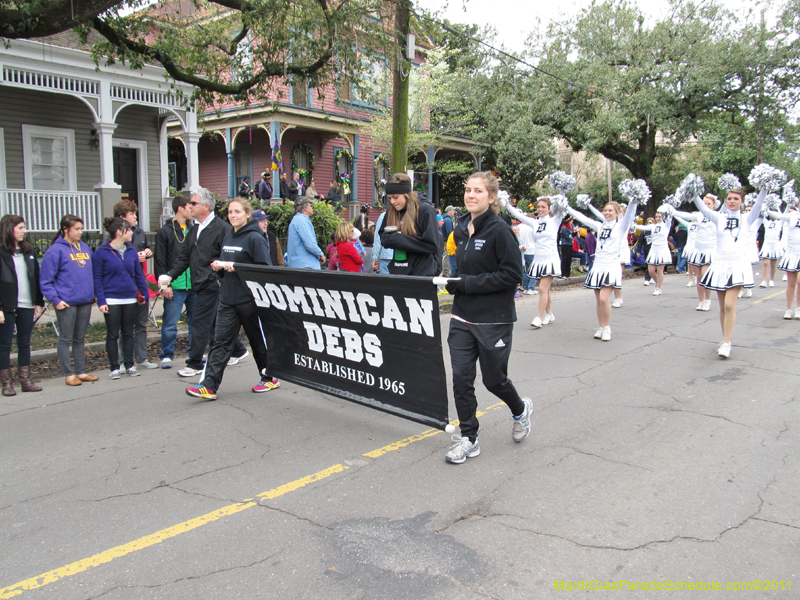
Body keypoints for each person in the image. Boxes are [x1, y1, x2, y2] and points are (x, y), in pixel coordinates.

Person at [444, 171, 532, 464]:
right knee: (461, 379)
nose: (471, 195)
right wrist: (454, 280)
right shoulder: (459, 229)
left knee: (494, 380)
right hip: (462, 317)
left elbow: (511, 275)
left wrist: (467, 283)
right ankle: (469, 437)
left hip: (493, 319)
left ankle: (520, 410)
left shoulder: (499, 230)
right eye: (468, 190)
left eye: (478, 191)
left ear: (491, 198)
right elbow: (464, 271)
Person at [186, 199, 278, 399]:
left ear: (247, 214)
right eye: (230, 212)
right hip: (228, 299)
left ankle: (270, 377)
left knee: (257, 342)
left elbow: (264, 270)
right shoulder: (228, 237)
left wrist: (237, 267)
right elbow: (226, 267)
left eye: (237, 212)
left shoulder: (255, 238)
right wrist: (219, 268)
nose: (233, 215)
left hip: (250, 301)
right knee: (220, 343)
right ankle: (209, 386)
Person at [160, 187, 248, 378]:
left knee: (199, 323)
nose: (189, 206)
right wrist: (171, 276)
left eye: (193, 203)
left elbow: (229, 256)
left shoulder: (222, 229)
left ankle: (195, 363)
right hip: (198, 284)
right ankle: (238, 350)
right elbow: (184, 257)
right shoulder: (195, 230)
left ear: (206, 206)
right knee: (214, 323)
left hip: (213, 284)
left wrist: (216, 278)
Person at [694, 187, 766, 358]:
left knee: (729, 304)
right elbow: (702, 208)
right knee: (722, 306)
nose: (732, 201)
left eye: (735, 199)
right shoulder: (719, 217)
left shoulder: (747, 218)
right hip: (720, 265)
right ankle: (724, 339)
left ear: (742, 201)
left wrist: (764, 187)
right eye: (729, 198)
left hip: (738, 265)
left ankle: (726, 343)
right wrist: (693, 191)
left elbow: (760, 203)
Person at [566, 198, 640, 341]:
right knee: (598, 300)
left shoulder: (621, 227)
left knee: (604, 298)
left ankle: (607, 328)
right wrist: (566, 206)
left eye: (610, 210)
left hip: (611, 265)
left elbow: (630, 215)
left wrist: (633, 200)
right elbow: (583, 217)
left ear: (617, 213)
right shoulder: (600, 226)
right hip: (598, 266)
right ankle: (601, 326)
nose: (607, 212)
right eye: (605, 210)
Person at [39, 215, 99, 386]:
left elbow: (92, 272)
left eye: (81, 228)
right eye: (77, 229)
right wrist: (55, 299)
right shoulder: (55, 250)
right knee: (65, 338)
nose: (80, 232)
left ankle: (80, 371)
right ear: (66, 229)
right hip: (66, 301)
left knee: (80, 338)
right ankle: (68, 374)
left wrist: (92, 293)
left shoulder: (85, 247)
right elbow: (46, 280)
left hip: (85, 299)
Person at [93, 217, 150, 379]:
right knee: (112, 334)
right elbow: (97, 278)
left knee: (128, 333)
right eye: (128, 230)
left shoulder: (131, 251)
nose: (132, 232)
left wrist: (144, 293)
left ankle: (129, 365)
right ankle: (114, 367)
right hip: (111, 299)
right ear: (119, 232)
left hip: (130, 298)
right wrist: (101, 300)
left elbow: (138, 275)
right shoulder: (101, 253)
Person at [0, 215, 44, 395]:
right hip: (7, 305)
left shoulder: (28, 251)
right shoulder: (2, 252)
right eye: (20, 228)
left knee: (24, 343)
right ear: (9, 229)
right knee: (4, 345)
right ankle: (7, 383)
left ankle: (26, 381)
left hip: (27, 304)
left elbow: (35, 277)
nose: (24, 231)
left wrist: (38, 302)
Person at [112, 199, 157, 369]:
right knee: (125, 326)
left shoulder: (139, 232)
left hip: (140, 281)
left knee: (141, 322)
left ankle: (142, 358)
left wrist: (147, 252)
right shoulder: (113, 235)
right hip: (123, 282)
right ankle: (124, 360)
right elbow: (110, 257)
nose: (135, 217)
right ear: (122, 217)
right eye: (132, 214)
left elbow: (144, 250)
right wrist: (132, 257)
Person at [505, 197, 562, 327]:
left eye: (543, 207)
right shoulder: (535, 223)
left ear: (549, 208)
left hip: (550, 258)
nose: (540, 209)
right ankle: (549, 313)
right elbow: (519, 215)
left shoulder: (555, 221)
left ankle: (538, 317)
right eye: (539, 207)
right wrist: (507, 203)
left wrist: (562, 194)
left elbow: (562, 209)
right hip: (538, 259)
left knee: (542, 288)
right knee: (545, 289)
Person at [155, 196, 196, 369]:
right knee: (170, 323)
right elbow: (160, 261)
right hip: (176, 285)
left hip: (194, 284)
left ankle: (195, 353)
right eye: (189, 207)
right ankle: (166, 354)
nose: (192, 210)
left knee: (195, 322)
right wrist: (165, 285)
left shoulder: (193, 229)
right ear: (180, 208)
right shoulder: (165, 231)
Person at [377, 173, 441, 276]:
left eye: (395, 197)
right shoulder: (391, 211)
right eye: (389, 198)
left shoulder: (424, 210)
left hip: (422, 272)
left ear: (407, 194)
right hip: (399, 271)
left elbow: (432, 245)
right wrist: (390, 240)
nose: (392, 202)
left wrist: (400, 239)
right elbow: (382, 235)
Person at [674, 195, 718, 311]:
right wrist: (673, 211)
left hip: (709, 250)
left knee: (705, 276)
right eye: (704, 203)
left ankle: (708, 300)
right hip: (698, 249)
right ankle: (701, 300)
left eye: (709, 204)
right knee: (698, 277)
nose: (706, 206)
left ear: (714, 205)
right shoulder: (698, 216)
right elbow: (686, 216)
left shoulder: (716, 216)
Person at [765, 204, 800, 319]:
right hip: (792, 253)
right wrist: (767, 208)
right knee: (791, 283)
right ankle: (789, 309)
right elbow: (778, 215)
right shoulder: (792, 215)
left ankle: (798, 308)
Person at [634, 207, 673, 296]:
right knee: (651, 270)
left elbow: (670, 217)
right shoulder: (653, 226)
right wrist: (633, 225)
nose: (658, 218)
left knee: (660, 270)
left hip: (662, 249)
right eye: (657, 217)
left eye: (660, 216)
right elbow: (643, 227)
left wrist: (668, 208)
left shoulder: (666, 225)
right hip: (653, 249)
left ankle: (658, 288)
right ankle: (658, 282)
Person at [286, 197, 326, 269]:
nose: (312, 207)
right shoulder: (302, 221)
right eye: (310, 205)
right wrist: (320, 254)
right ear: (305, 208)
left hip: (298, 264)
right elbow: (310, 244)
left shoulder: (296, 220)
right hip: (306, 265)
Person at [759, 213, 783, 288]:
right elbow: (761, 214)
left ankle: (771, 280)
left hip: (775, 244)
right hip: (767, 244)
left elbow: (784, 214)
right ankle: (764, 280)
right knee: (766, 263)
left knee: (773, 264)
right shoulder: (766, 222)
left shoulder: (780, 222)